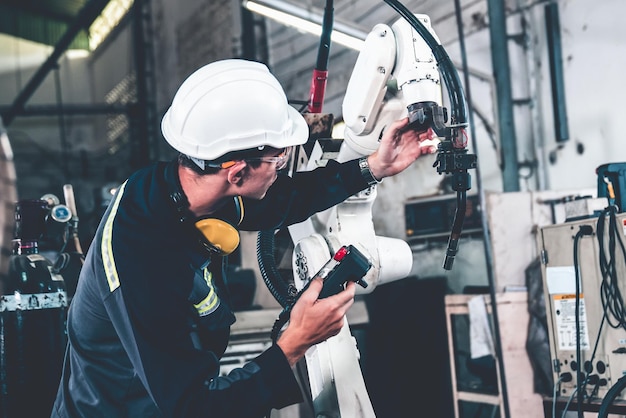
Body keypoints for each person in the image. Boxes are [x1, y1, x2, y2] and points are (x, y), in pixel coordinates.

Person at [51, 59, 437, 418]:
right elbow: (192, 406)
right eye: (278, 161)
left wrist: (372, 167)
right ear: (236, 173)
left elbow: (282, 201)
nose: (281, 169)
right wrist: (295, 342)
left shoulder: (182, 189)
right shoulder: (141, 262)